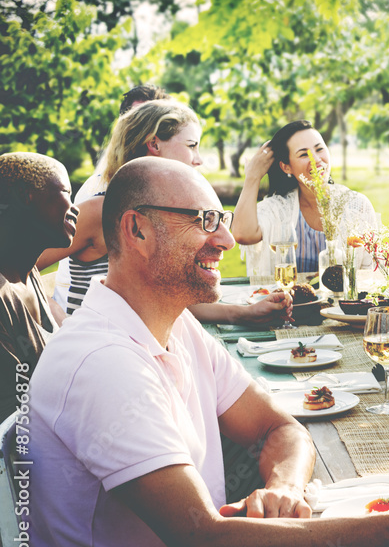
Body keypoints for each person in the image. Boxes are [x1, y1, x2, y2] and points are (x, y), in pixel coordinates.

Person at [28, 157, 389, 547]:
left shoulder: (177, 324)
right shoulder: (103, 363)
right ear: (138, 230)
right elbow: (207, 544)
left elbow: (280, 427)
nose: (227, 241)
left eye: (222, 220)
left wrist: (286, 489)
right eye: (203, 221)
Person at [37, 99, 290, 324]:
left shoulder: (166, 211)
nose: (198, 159)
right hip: (100, 350)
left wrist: (244, 313)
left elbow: (174, 294)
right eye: (191, 145)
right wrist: (59, 321)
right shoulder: (101, 211)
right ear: (154, 144)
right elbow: (13, 267)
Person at [51, 83, 170, 309]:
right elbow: (26, 269)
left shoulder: (162, 198)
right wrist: (58, 318)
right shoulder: (99, 197)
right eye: (138, 120)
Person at [232, 120, 378, 276]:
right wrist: (252, 177)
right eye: (303, 154)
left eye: (319, 149)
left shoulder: (356, 205)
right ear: (286, 167)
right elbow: (242, 234)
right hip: (290, 300)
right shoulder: (278, 210)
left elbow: (372, 270)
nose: (316, 159)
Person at [0, 152, 78, 417]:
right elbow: (14, 422)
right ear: (26, 195)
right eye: (67, 192)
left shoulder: (26, 270)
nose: (75, 208)